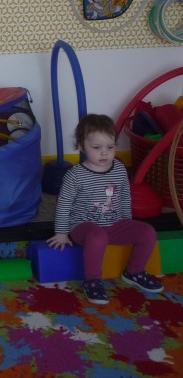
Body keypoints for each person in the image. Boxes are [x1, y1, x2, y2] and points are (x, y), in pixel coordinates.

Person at [47, 113, 163, 304]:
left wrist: (127, 221)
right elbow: (63, 204)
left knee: (148, 232)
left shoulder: (119, 169)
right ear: (81, 146)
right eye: (97, 147)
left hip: (114, 224)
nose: (104, 153)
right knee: (97, 235)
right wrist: (61, 232)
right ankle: (92, 281)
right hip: (83, 226)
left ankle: (134, 272)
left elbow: (124, 196)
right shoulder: (75, 175)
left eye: (110, 147)